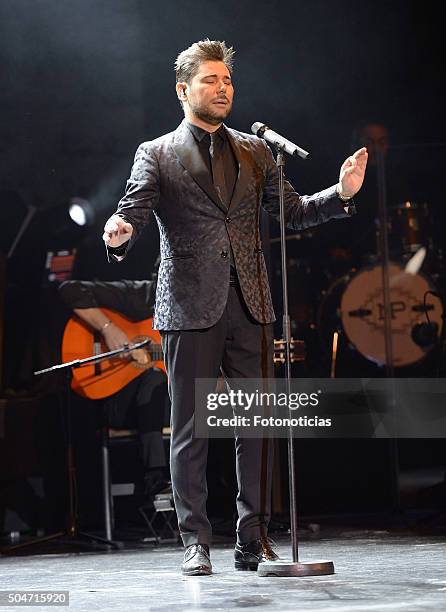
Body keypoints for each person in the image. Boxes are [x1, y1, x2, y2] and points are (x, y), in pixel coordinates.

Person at [102, 39, 368, 575]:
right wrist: (119, 235)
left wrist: (339, 194)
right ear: (183, 90)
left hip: (251, 303)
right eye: (210, 81)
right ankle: (194, 541)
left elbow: (290, 213)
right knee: (191, 430)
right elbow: (131, 210)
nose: (223, 89)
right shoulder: (155, 152)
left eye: (227, 82)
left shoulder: (256, 150)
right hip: (189, 306)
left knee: (256, 425)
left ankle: (253, 537)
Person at [59, 276, 170, 499]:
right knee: (156, 378)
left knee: (175, 390)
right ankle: (156, 473)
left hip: (163, 407)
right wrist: (108, 329)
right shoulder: (139, 296)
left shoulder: (194, 315)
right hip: (114, 404)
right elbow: (70, 289)